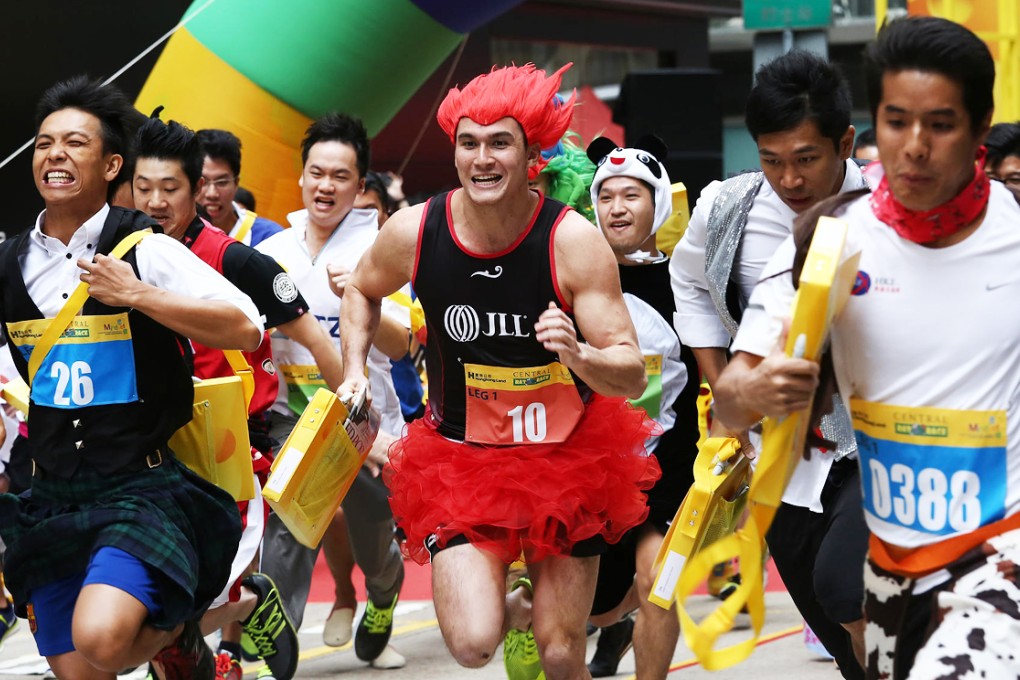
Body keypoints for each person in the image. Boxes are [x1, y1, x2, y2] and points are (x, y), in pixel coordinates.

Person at [713, 17, 1020, 680]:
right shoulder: (827, 241)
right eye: (896, 120)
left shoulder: (1015, 227)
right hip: (892, 558)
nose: (914, 147)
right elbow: (730, 403)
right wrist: (758, 392)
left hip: (1002, 548)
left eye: (939, 124)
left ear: (979, 127)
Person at [337, 63, 660, 680]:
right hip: (461, 456)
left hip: (567, 456)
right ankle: (522, 607)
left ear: (532, 153)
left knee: (562, 654)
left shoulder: (573, 242)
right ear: (454, 152)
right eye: (468, 143)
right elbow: (360, 288)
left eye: (500, 142)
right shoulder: (416, 229)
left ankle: (555, 614)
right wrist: (354, 371)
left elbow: (629, 372)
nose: (482, 159)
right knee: (472, 644)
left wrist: (579, 356)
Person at [0, 76, 264, 680]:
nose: (55, 155)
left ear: (111, 163)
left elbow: (246, 327)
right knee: (79, 671)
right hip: (53, 496)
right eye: (44, 144)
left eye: (74, 143)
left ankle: (186, 626)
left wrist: (139, 295)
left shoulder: (145, 248)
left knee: (104, 639)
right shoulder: (9, 261)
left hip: (138, 492)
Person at [669, 49, 869, 678]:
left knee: (847, 587)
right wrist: (727, 385)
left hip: (874, 442)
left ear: (846, 142)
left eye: (806, 159)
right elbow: (693, 288)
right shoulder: (727, 207)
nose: (789, 179)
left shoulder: (888, 213)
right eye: (771, 159)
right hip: (777, 453)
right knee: (823, 609)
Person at [132, 115, 349, 680]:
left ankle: (241, 620)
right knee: (161, 593)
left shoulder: (239, 261)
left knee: (211, 585)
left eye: (170, 189)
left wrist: (350, 419)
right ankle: (231, 622)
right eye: (143, 188)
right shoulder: (115, 257)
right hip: (151, 449)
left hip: (232, 444)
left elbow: (311, 336)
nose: (155, 202)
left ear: (198, 190)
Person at [255, 112, 409, 669]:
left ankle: (384, 596)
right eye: (316, 173)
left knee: (375, 542)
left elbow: (402, 342)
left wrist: (362, 293)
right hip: (290, 416)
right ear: (300, 177)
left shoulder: (383, 244)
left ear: (359, 184)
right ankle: (278, 632)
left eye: (340, 176)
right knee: (291, 520)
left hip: (365, 421)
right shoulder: (272, 249)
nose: (325, 186)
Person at [582, 136, 701, 679]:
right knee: (598, 607)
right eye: (605, 196)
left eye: (632, 194)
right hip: (591, 471)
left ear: (659, 202)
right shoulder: (574, 275)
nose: (617, 207)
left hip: (669, 464)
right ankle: (615, 621)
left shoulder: (688, 280)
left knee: (658, 582)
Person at [196, 129, 284, 247]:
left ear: (236, 183)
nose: (212, 194)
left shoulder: (270, 238)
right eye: (203, 182)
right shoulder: (171, 231)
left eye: (222, 182)